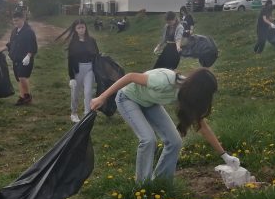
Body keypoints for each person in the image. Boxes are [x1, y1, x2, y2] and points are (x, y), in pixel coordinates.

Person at [90, 67, 240, 183]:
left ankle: (161, 182)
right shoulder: (165, 81)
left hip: (149, 102)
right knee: (148, 140)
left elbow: (202, 126)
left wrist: (225, 155)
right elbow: (130, 77)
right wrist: (102, 97)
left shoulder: (187, 94)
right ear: (198, 90)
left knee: (174, 142)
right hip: (128, 98)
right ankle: (142, 186)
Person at [65, 19, 99, 123]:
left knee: (88, 92)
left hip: (89, 69)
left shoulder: (92, 40)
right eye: (78, 28)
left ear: (85, 27)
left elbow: (97, 55)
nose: (81, 30)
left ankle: (87, 114)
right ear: (75, 29)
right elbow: (70, 60)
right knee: (75, 93)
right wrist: (71, 77)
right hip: (77, 70)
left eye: (83, 27)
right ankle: (74, 113)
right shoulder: (73, 43)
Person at [5, 10, 38, 106]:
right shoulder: (14, 31)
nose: (15, 23)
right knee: (19, 79)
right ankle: (22, 97)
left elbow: (33, 46)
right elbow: (11, 44)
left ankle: (28, 97)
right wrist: (2, 49)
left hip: (26, 60)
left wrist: (28, 56)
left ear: (23, 19)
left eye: (17, 20)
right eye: (14, 21)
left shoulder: (29, 32)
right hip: (16, 59)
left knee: (22, 77)